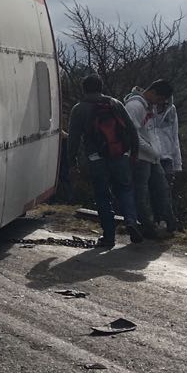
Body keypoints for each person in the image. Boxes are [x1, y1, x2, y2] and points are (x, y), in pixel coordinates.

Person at [67, 74, 143, 246]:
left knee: (102, 195)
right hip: (119, 155)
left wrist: (72, 163)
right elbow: (132, 130)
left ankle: (109, 236)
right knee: (125, 189)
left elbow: (73, 139)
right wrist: (134, 153)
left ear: (84, 89)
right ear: (101, 87)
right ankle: (131, 220)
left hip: (96, 158)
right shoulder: (115, 103)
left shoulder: (79, 109)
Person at [124, 80, 178, 238]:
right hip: (139, 157)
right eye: (159, 99)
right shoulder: (134, 106)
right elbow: (132, 135)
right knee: (141, 194)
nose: (159, 103)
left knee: (162, 189)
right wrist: (152, 151)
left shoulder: (149, 106)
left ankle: (166, 223)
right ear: (152, 92)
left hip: (153, 158)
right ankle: (148, 227)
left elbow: (151, 131)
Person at [154, 87, 183, 231]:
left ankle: (167, 222)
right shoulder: (147, 109)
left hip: (168, 157)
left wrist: (177, 163)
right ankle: (158, 220)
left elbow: (174, 135)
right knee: (155, 190)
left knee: (167, 190)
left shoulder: (171, 110)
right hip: (152, 156)